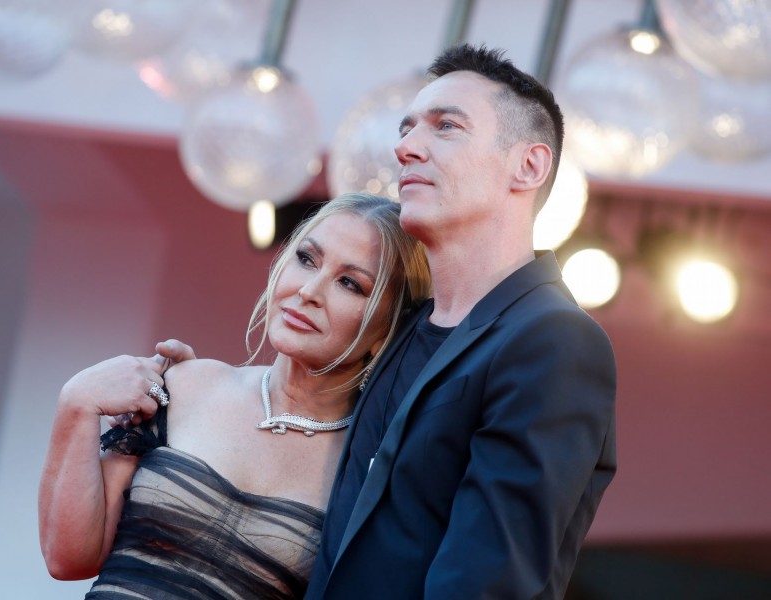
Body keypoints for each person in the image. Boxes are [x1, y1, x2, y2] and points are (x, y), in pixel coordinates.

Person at [159, 43, 617, 599]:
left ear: (529, 165)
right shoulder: (402, 330)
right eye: (406, 129)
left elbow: (488, 583)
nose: (405, 148)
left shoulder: (553, 339)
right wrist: (161, 391)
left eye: (445, 126)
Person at [37, 192, 431, 599]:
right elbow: (69, 558)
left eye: (350, 283)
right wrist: (77, 401)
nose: (308, 290)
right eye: (306, 259)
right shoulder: (186, 385)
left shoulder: (368, 468)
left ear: (388, 327)